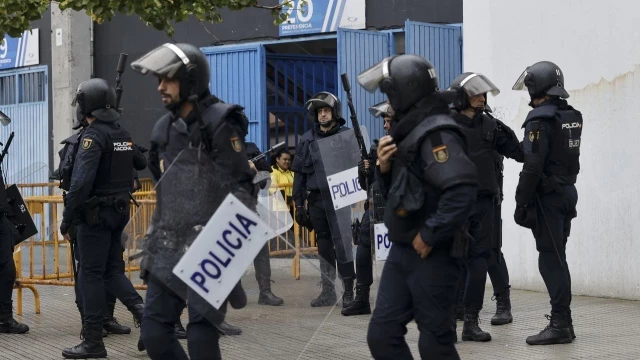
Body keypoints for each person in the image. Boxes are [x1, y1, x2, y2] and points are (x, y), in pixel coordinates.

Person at [131, 42, 253, 359]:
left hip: (211, 243)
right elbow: (164, 192)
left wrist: (230, 252)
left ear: (191, 78)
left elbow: (239, 190)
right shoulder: (162, 129)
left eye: (167, 79)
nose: (160, 87)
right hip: (170, 244)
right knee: (155, 333)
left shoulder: (220, 122)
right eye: (158, 80)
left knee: (201, 335)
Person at [358, 54, 478, 359]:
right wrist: (384, 170)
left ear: (404, 92)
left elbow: (461, 191)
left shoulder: (436, 132)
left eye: (389, 93)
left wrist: (430, 234)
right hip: (402, 252)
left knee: (434, 343)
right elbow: (406, 191)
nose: (387, 101)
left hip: (432, 254)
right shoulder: (408, 129)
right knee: (382, 336)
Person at [59, 78, 147, 358]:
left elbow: (80, 184)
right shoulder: (122, 133)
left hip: (94, 217)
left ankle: (94, 341)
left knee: (92, 276)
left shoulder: (92, 136)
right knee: (111, 272)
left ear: (86, 105)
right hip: (119, 213)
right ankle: (146, 315)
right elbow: (140, 163)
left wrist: (66, 219)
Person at [447, 72, 523, 342]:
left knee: (480, 260)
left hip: (484, 203)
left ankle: (470, 323)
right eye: (475, 93)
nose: (481, 97)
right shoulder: (444, 127)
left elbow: (520, 151)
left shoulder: (491, 125)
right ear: (461, 97)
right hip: (454, 204)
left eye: (483, 93)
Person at [512, 60, 581, 345]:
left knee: (550, 260)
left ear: (536, 87)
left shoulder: (539, 120)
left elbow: (532, 166)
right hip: (566, 193)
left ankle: (560, 324)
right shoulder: (571, 115)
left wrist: (520, 201)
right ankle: (564, 322)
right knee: (558, 256)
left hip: (548, 199)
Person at [292, 91, 357, 308]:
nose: (322, 115)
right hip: (317, 200)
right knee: (325, 246)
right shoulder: (307, 139)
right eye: (319, 111)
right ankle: (328, 291)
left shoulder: (347, 136)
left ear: (334, 113)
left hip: (340, 199)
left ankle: (349, 291)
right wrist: (299, 204)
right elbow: (299, 173)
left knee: (343, 245)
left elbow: (357, 166)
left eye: (326, 110)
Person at [341, 100, 393, 317]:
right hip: (375, 205)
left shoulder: (412, 143)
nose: (385, 126)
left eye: (389, 121)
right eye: (384, 122)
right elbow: (366, 185)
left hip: (402, 206)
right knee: (363, 248)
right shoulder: (377, 147)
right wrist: (366, 169)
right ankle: (362, 298)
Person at [245, 142, 285, 306]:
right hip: (227, 210)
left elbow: (266, 183)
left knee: (261, 251)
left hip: (251, 208)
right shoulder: (219, 149)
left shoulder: (251, 149)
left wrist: (253, 170)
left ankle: (265, 292)